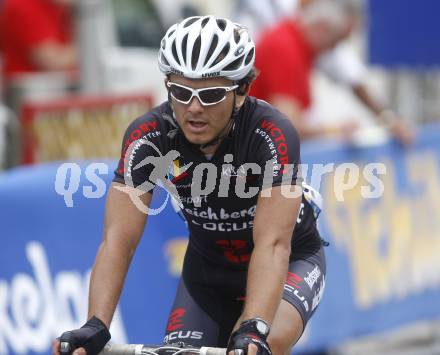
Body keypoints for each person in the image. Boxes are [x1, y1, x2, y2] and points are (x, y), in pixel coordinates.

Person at [53, 16, 326, 355]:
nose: (194, 108)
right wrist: (96, 323)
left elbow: (273, 245)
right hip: (208, 272)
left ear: (241, 90)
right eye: (181, 92)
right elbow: (118, 241)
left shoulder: (271, 134)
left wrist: (253, 326)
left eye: (211, 94)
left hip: (289, 264)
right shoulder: (149, 136)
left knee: (261, 345)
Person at [249, 0, 413, 144]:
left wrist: (388, 119)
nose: (335, 49)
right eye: (338, 40)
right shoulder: (284, 47)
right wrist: (336, 130)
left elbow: (355, 80)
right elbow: (286, 128)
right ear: (323, 28)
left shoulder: (297, 42)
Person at [0, 0, 77, 84]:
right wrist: (89, 50)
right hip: (29, 89)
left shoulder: (59, 7)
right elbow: (51, 61)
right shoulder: (24, 5)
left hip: (54, 87)